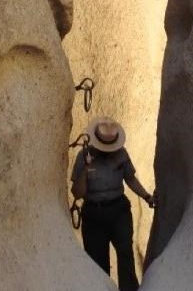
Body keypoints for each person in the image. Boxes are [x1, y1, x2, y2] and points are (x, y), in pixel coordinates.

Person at [71, 117, 156, 291]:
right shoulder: (83, 157)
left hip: (119, 212)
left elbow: (130, 179)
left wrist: (147, 196)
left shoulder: (122, 154)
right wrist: (86, 170)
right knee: (97, 263)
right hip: (93, 216)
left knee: (125, 254)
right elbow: (77, 192)